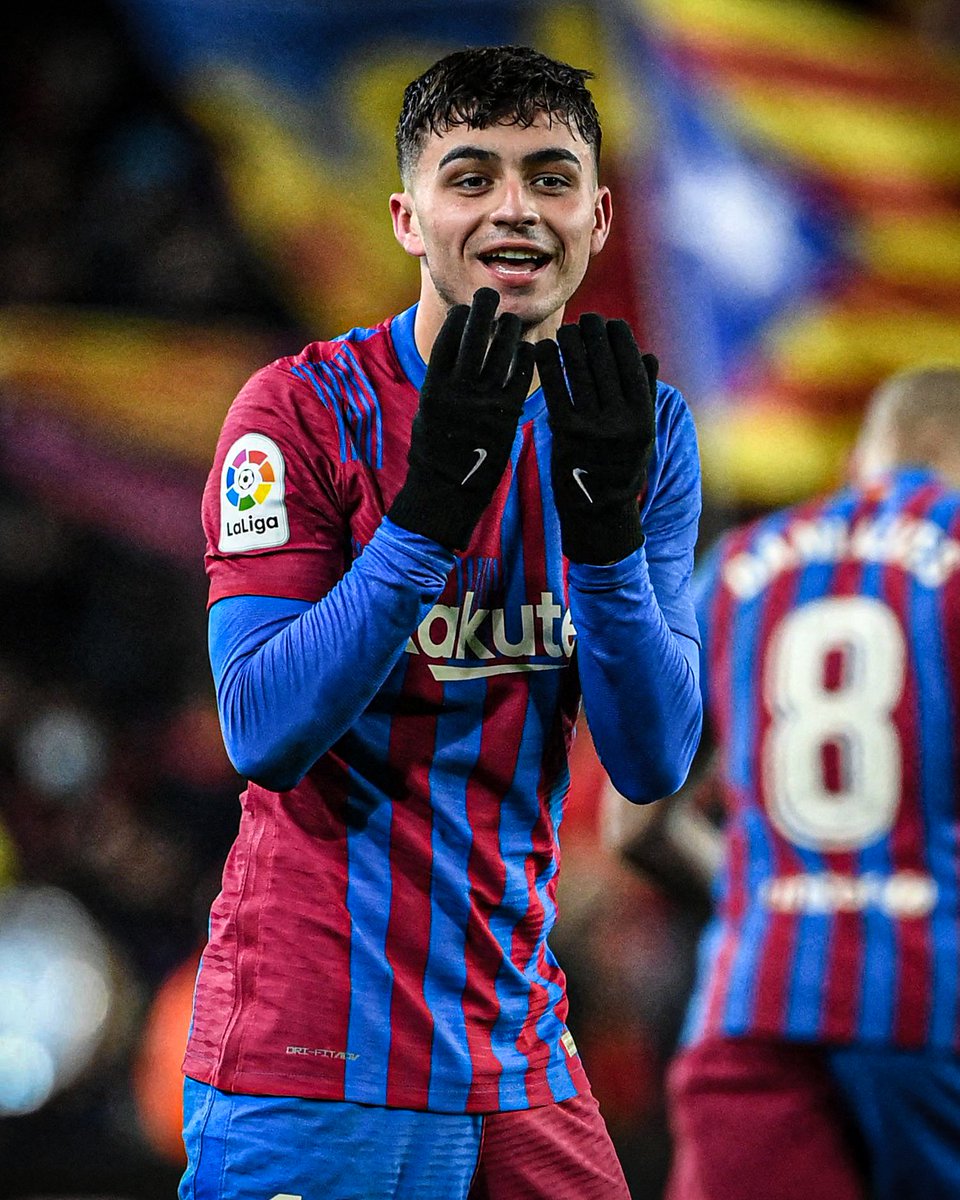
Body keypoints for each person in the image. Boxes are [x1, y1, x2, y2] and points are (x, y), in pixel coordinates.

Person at [181, 44, 703, 1200]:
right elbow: (262, 729)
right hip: (315, 1047)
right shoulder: (298, 413)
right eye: (472, 177)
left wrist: (604, 542)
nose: (515, 208)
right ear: (408, 218)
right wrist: (425, 519)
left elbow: (653, 757)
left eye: (550, 177)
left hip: (514, 1041)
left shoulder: (644, 431)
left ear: (599, 216)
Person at [624, 365, 960, 1200]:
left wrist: (783, 898)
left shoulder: (740, 564)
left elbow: (635, 824)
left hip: (753, 1006)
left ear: (862, 459)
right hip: (933, 1012)